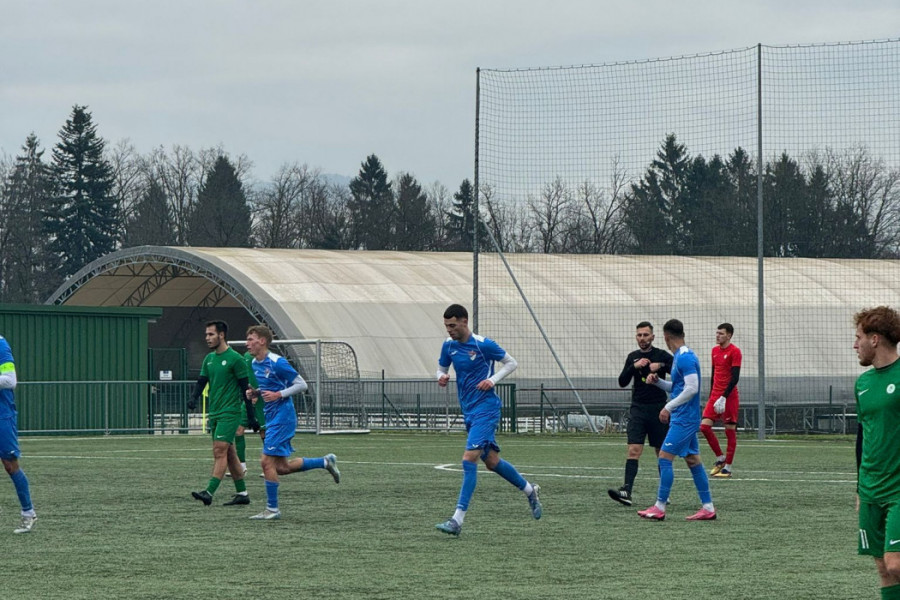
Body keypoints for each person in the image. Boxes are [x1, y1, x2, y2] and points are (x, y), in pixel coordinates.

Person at [434, 303, 542, 537]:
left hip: (486, 408)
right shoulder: (448, 345)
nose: (449, 330)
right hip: (469, 410)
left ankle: (456, 520)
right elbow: (441, 368)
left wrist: (492, 380)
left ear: (464, 321)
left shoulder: (484, 345)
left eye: (452, 325)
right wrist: (442, 376)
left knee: (468, 459)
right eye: (446, 326)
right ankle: (529, 490)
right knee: (492, 462)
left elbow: (511, 363)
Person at [244, 325, 340, 520]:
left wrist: (280, 394)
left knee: (265, 462)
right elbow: (269, 387)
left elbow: (301, 384)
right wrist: (256, 392)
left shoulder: (277, 362)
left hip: (283, 416)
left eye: (251, 339)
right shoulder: (255, 363)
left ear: (262, 341)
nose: (247, 344)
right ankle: (325, 461)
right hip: (271, 416)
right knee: (281, 468)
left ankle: (273, 510)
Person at [638, 319, 716, 521]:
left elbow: (692, 388)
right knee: (692, 460)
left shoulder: (684, 358)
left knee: (664, 458)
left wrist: (668, 406)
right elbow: (679, 387)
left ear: (665, 337)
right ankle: (708, 507)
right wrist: (658, 383)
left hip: (684, 418)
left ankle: (660, 507)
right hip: (683, 417)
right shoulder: (681, 357)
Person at [853, 306, 900, 599]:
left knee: (896, 564)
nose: (854, 345)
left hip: (898, 489)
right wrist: (859, 487)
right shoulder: (863, 384)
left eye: (858, 337)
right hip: (871, 488)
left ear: (875, 339)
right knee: (883, 567)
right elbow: (862, 438)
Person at [189, 321, 259, 507]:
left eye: (211, 334)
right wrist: (193, 398)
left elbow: (246, 390)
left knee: (219, 450)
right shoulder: (209, 359)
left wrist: (251, 416)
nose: (207, 338)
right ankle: (242, 493)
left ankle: (209, 492)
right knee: (229, 454)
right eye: (206, 335)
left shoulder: (235, 359)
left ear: (221, 335)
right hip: (215, 412)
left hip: (230, 412)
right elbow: (202, 381)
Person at [608, 321, 673, 506]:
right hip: (638, 409)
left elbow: (677, 369)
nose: (642, 338)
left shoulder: (661, 355)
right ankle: (626, 491)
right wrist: (634, 367)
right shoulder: (633, 357)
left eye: (646, 335)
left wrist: (658, 365)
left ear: (653, 337)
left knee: (661, 452)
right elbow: (622, 381)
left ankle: (664, 493)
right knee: (633, 450)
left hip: (658, 409)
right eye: (639, 335)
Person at [0, 335, 36, 533]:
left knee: (10, 465)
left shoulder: (0, 345)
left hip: (2, 415)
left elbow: (9, 380)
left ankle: (28, 513)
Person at [700, 323, 742, 478]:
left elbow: (735, 377)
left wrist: (724, 396)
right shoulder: (714, 351)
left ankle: (728, 468)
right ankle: (720, 458)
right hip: (715, 396)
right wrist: (713, 395)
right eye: (717, 333)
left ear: (729, 335)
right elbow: (713, 374)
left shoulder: (735, 351)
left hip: (729, 396)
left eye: (721, 333)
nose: (717, 336)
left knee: (729, 431)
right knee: (704, 427)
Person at [226, 351, 266, 479]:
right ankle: (241, 466)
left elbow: (269, 378)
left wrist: (258, 392)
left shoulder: (268, 357)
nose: (248, 343)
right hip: (248, 398)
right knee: (238, 430)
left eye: (251, 339)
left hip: (262, 399)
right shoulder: (246, 357)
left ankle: (268, 466)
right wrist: (248, 391)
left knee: (264, 433)